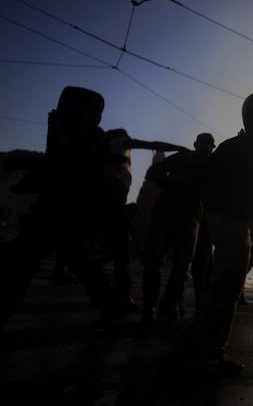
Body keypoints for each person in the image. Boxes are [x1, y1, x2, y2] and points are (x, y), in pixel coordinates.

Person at [178, 91, 253, 376]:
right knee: (227, 288)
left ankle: (195, 339)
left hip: (219, 220)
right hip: (237, 223)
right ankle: (207, 355)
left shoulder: (232, 145)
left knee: (218, 286)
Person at [0, 86, 121, 330]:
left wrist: (55, 131)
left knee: (28, 262)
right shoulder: (71, 131)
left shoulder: (95, 138)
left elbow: (71, 163)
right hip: (50, 209)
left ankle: (109, 307)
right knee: (40, 262)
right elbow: (54, 164)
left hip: (68, 213)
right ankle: (109, 306)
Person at [100, 128, 189, 315]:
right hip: (110, 195)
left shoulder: (108, 149)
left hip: (111, 197)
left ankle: (116, 292)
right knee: (120, 247)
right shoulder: (120, 143)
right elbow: (151, 144)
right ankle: (118, 295)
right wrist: (178, 148)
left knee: (116, 245)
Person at [140, 133, 215, 323]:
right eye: (203, 143)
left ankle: (171, 303)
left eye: (210, 145)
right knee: (153, 261)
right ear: (195, 144)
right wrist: (171, 180)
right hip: (165, 214)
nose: (206, 148)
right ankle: (149, 304)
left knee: (181, 267)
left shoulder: (210, 167)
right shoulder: (181, 158)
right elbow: (153, 173)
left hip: (191, 220)